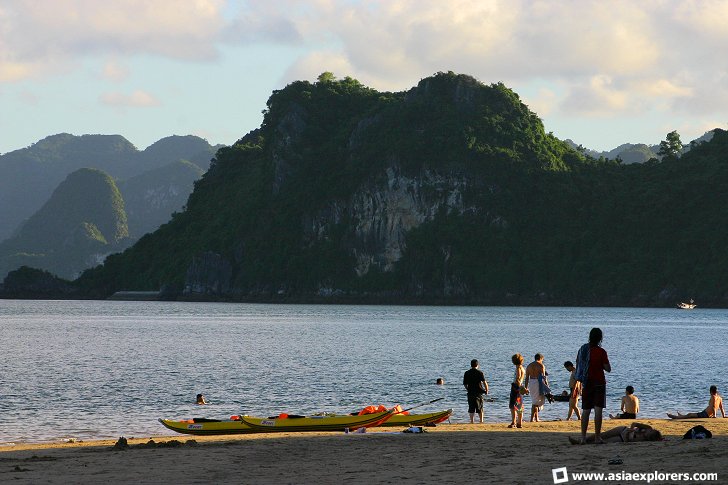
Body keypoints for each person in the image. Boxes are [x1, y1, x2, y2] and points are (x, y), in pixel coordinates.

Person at [574, 327, 611, 444]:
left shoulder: (583, 349)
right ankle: (597, 437)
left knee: (586, 410)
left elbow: (578, 363)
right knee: (598, 410)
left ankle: (583, 437)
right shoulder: (601, 352)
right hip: (599, 382)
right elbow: (608, 368)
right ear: (600, 338)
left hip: (587, 382)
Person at [568, 422, 661, 444]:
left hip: (622, 438)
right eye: (649, 433)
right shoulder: (648, 428)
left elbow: (630, 441)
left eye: (648, 436)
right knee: (603, 435)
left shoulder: (645, 439)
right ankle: (583, 440)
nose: (647, 434)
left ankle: (586, 442)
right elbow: (634, 423)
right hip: (623, 430)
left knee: (605, 441)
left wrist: (629, 436)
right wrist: (632, 429)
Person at [524, 354, 550, 422]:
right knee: (536, 402)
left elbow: (526, 378)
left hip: (531, 382)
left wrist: (526, 387)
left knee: (535, 400)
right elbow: (544, 378)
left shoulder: (529, 366)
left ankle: (536, 418)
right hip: (538, 383)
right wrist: (547, 387)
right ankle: (532, 419)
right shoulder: (541, 365)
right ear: (541, 358)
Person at [463, 359, 489, 423]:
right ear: (477, 365)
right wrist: (486, 390)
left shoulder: (467, 373)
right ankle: (481, 421)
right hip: (479, 392)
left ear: (471, 365)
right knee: (480, 407)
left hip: (470, 392)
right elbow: (484, 382)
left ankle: (472, 421)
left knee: (471, 407)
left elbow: (465, 384)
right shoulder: (480, 373)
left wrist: (468, 389)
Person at [509, 353, 526, 428]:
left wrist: (518, 386)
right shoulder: (522, 368)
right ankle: (519, 422)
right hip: (520, 387)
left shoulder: (518, 368)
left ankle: (514, 422)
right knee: (519, 405)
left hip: (516, 387)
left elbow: (518, 378)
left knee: (513, 405)